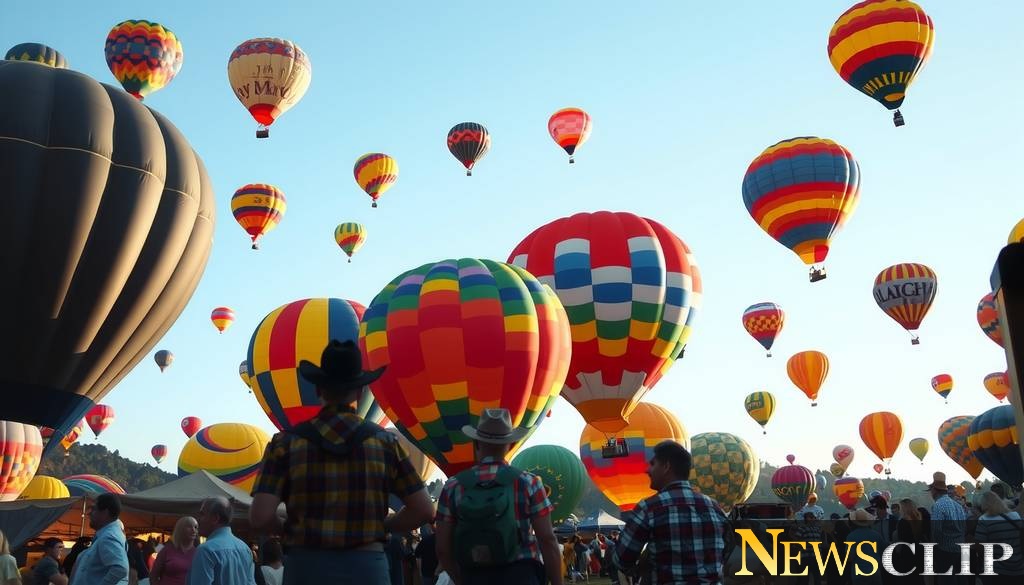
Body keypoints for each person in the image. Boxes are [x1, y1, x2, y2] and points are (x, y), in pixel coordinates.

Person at [249, 340, 434, 585]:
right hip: (367, 567)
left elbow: (260, 517)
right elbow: (424, 510)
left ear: (318, 389)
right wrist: (385, 524)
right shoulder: (385, 443)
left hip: (305, 567)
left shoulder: (285, 444)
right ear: (359, 392)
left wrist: (289, 529)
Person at [435, 408, 563, 585]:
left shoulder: (453, 486)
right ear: (510, 445)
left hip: (474, 575)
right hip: (521, 575)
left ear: (476, 444)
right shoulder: (529, 483)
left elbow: (442, 548)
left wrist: (460, 579)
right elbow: (547, 540)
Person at [614, 441, 729, 585]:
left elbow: (622, 560)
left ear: (666, 466)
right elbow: (727, 554)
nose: (647, 470)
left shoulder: (649, 508)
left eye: (653, 464)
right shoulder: (715, 508)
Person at [187, 497, 255, 585]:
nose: (198, 519)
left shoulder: (206, 550)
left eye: (202, 514)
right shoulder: (245, 549)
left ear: (215, 518)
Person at [70, 493, 128, 585]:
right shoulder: (106, 535)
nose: (89, 513)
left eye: (94, 509)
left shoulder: (108, 537)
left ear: (105, 512)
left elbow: (120, 569)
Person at [972, 490, 1024, 581]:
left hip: (997, 571)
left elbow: (979, 547)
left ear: (984, 505)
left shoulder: (984, 520)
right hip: (1019, 568)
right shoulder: (1015, 516)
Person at [926, 472, 966, 585]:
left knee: (946, 580)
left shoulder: (938, 505)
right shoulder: (958, 506)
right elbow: (964, 527)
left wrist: (934, 548)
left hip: (945, 551)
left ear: (934, 490)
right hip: (959, 548)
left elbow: (936, 530)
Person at [150, 516, 198, 585]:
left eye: (196, 527)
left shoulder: (199, 552)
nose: (193, 530)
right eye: (189, 527)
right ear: (180, 529)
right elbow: (153, 575)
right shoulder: (166, 550)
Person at [893, 499, 925, 585]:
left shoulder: (902, 522)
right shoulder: (919, 519)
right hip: (919, 552)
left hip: (907, 553)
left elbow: (901, 537)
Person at [847, 509, 883, 585]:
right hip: (875, 572)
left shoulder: (851, 536)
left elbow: (850, 557)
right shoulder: (876, 535)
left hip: (859, 573)